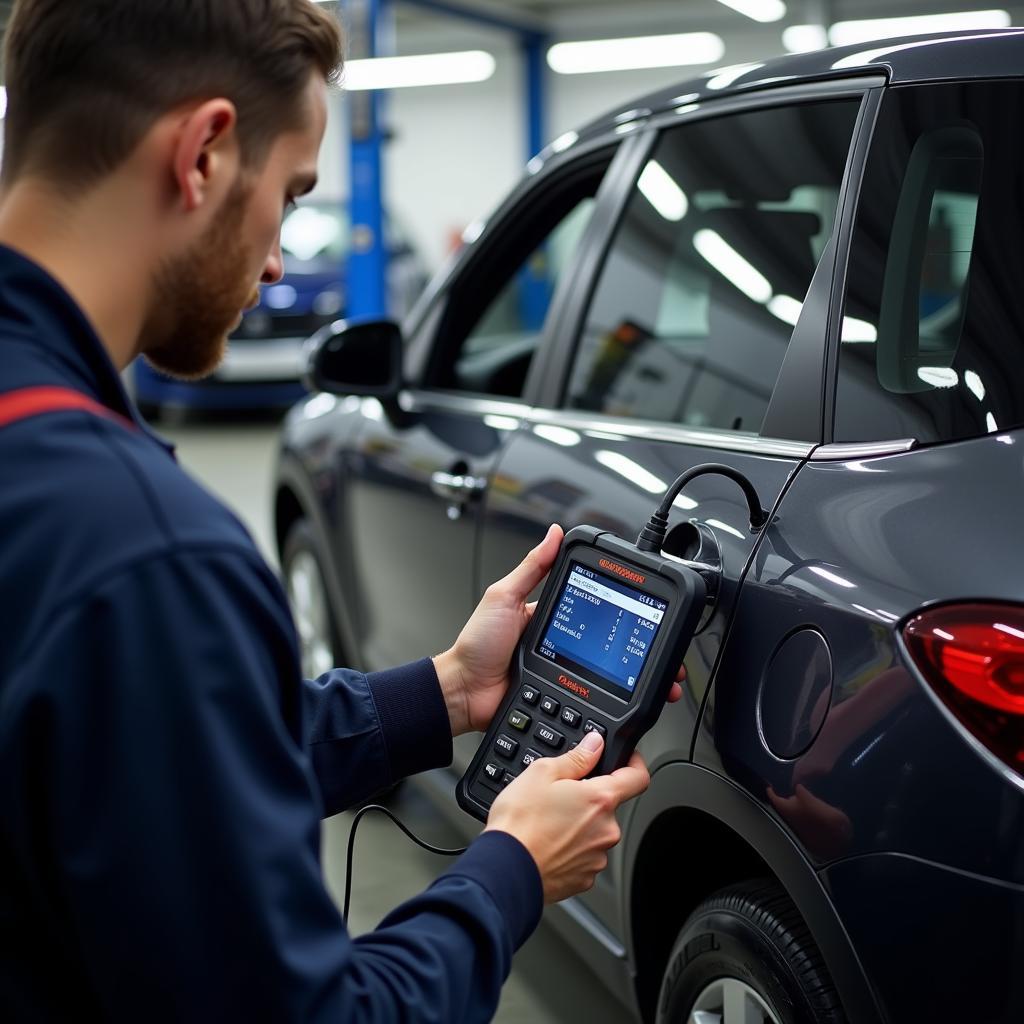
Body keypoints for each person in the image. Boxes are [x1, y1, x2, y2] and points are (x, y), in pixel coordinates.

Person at [0, 2, 673, 1020]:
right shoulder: (148, 551)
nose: (276, 262)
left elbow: (145, 770)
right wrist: (510, 871)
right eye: (290, 194)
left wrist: (443, 690)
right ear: (205, 155)